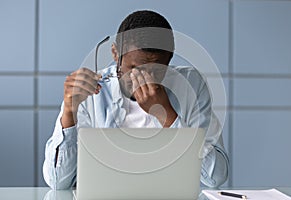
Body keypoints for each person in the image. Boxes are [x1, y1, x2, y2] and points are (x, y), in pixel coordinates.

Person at [43, 10, 229, 190]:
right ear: (115, 54)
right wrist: (69, 112)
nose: (143, 78)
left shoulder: (192, 86)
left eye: (156, 70)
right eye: (134, 68)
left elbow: (215, 177)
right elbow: (58, 182)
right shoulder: (90, 91)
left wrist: (167, 116)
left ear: (169, 60)